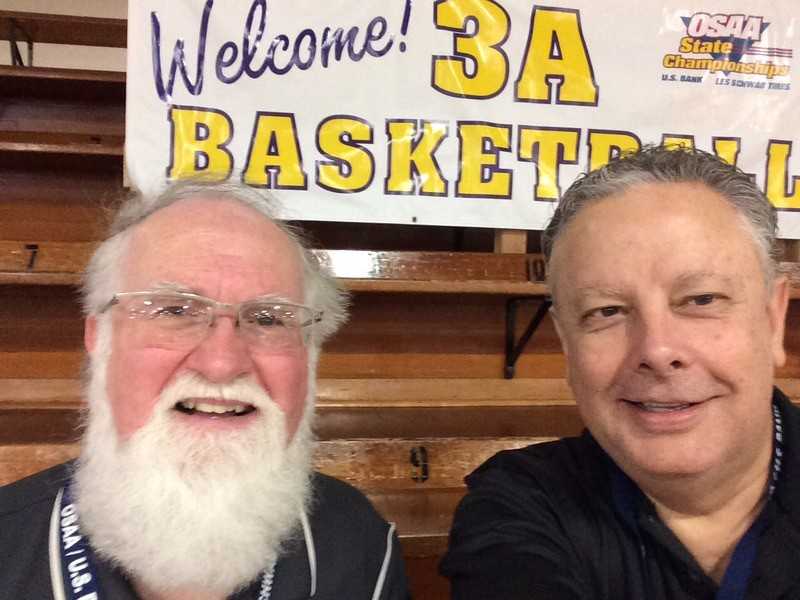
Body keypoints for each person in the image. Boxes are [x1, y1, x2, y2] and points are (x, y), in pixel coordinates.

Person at [0, 181, 409, 600]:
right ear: (99, 338)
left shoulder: (359, 545)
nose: (222, 364)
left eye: (268, 319)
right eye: (174, 310)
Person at [440, 145, 800, 599]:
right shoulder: (521, 504)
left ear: (773, 320)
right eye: (606, 311)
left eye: (701, 299)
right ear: (567, 344)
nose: (657, 349)